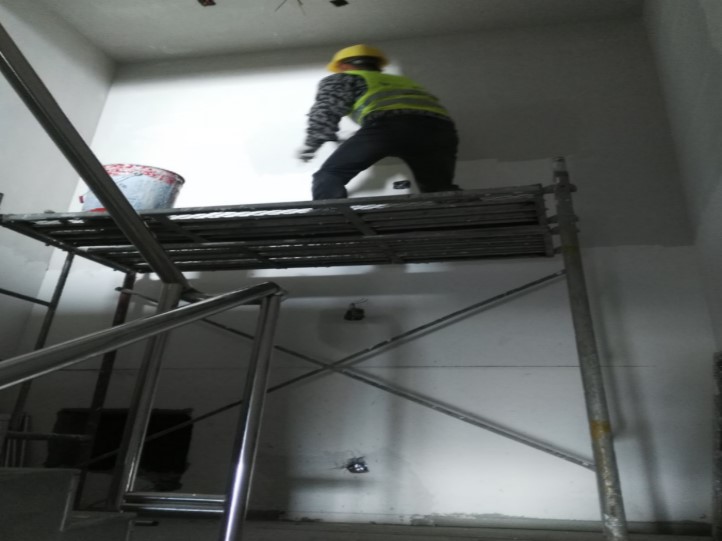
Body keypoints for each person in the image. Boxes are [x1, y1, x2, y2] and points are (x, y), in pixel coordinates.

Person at [298, 44, 460, 200]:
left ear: (342, 66)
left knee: (330, 174)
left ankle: (332, 215)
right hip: (441, 131)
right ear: (377, 65)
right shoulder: (404, 81)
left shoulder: (345, 78)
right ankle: (458, 209)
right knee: (439, 189)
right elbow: (411, 117)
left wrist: (313, 143)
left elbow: (326, 109)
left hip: (389, 127)